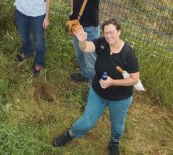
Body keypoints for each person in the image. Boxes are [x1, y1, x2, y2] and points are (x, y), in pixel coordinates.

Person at [52, 19, 141, 154]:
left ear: (119, 32)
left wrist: (113, 82)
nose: (108, 36)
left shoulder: (127, 53)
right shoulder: (103, 44)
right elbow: (86, 47)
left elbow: (135, 79)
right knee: (87, 122)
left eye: (112, 32)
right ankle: (70, 134)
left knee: (117, 126)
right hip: (98, 93)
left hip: (120, 98)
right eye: (106, 33)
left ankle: (114, 143)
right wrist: (82, 41)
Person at [2, 0, 53, 77]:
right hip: (21, 11)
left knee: (39, 40)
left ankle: (39, 62)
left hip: (38, 14)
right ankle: (28, 52)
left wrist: (46, 17)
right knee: (24, 35)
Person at [67, 0, 109, 81]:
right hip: (76, 26)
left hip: (89, 30)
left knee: (91, 61)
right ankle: (85, 75)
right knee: (79, 55)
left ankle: (94, 87)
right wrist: (72, 12)